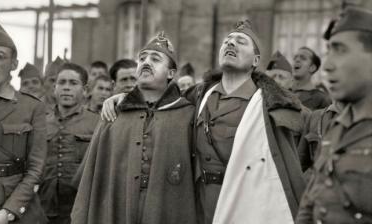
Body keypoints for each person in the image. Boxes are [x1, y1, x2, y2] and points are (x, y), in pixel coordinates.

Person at [102, 20, 307, 224]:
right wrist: (127, 98)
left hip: (244, 201)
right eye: (227, 41)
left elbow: (285, 170)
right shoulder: (200, 94)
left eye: (241, 42)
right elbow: (162, 101)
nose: (231, 44)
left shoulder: (267, 105)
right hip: (198, 203)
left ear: (255, 60)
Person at [71, 32, 197, 224]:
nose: (146, 62)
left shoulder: (187, 115)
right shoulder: (113, 114)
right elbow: (90, 179)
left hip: (167, 211)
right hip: (118, 210)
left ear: (171, 73)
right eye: (142, 58)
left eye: (155, 59)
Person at [296, 6, 372, 224]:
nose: (327, 65)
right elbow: (311, 203)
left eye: (340, 50)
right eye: (328, 51)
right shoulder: (335, 127)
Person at [0, 20, 47, 224]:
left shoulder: (32, 107)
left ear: (14, 65)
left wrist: (8, 212)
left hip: (17, 212)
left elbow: (35, 170)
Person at [40, 63, 99, 224]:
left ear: (85, 90)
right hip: (44, 207)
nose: (66, 88)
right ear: (54, 88)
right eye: (62, 82)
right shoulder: (41, 122)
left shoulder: (97, 123)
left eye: (73, 83)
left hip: (81, 207)